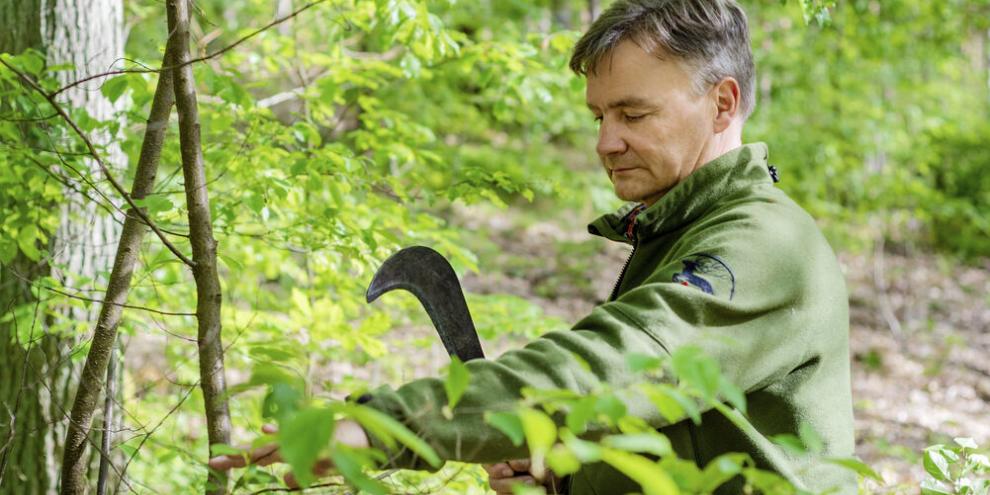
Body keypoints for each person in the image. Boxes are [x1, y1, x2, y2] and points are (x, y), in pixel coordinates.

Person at [210, 1, 856, 493]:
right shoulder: (682, 228)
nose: (606, 142)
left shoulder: (763, 244)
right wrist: (568, 471)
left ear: (722, 105)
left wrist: (391, 425)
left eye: (632, 115)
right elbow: (685, 425)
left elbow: (620, 363)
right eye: (598, 117)